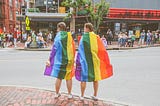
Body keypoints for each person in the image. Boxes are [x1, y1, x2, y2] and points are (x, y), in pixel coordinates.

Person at [75, 23, 113, 100]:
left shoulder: (83, 38)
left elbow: (80, 51)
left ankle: (82, 96)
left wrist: (77, 60)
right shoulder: (96, 37)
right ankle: (95, 95)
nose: (84, 29)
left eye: (84, 28)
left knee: (83, 79)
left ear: (87, 28)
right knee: (95, 78)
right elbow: (102, 50)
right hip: (95, 61)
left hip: (85, 62)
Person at [44, 22, 75, 99]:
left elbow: (54, 49)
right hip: (68, 60)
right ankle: (69, 94)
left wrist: (49, 59)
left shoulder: (58, 37)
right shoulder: (69, 36)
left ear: (59, 28)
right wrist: (73, 59)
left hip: (59, 61)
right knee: (68, 77)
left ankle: (57, 93)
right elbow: (73, 48)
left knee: (59, 77)